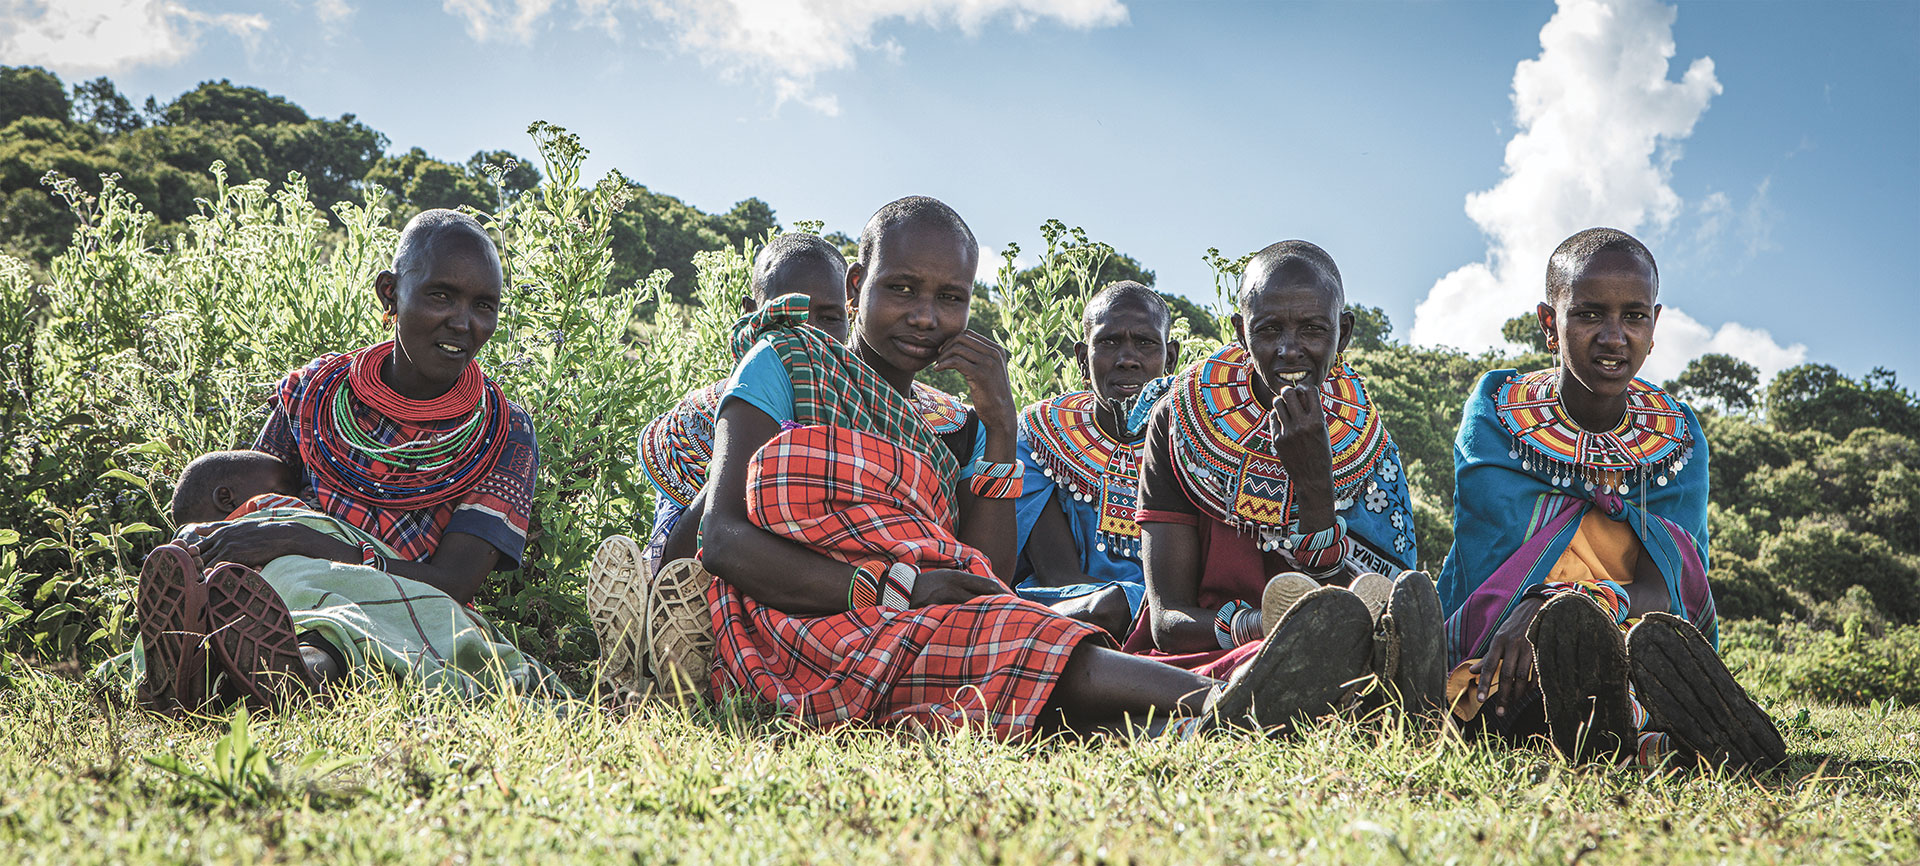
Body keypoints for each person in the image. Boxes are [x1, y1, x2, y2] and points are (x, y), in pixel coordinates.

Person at [685, 196, 1363, 738]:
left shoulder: (957, 425)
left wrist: (1001, 425)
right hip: (796, 627)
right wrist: (891, 591)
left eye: (951, 297)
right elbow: (722, 540)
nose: (926, 317)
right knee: (1028, 635)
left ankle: (1254, 696)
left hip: (922, 628)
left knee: (1028, 639)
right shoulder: (786, 367)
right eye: (901, 289)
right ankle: (1233, 701)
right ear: (857, 285)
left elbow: (988, 575)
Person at [129, 208, 565, 713]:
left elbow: (455, 583)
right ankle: (210, 661)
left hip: (411, 611)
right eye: (440, 295)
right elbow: (260, 512)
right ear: (389, 293)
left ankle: (289, 674)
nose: (463, 322)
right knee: (251, 570)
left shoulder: (504, 432)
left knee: (316, 592)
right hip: (282, 590)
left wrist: (304, 543)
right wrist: (218, 541)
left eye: (483, 305)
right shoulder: (315, 394)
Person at [1438, 227, 1785, 770]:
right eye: (1590, 314)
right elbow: (1490, 562)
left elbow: (1666, 588)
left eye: (1634, 316)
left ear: (1655, 326)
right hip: (1504, 633)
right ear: (1550, 325)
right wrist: (1532, 608)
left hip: (1629, 631)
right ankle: (1658, 747)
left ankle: (1628, 730)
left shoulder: (1679, 438)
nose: (1614, 336)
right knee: (1504, 687)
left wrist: (1567, 608)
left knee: (1632, 655)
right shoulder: (1495, 412)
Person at [591, 233, 976, 693]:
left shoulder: (862, 406)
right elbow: (695, 540)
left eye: (828, 316)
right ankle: (638, 643)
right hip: (707, 560)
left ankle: (674, 665)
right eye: (787, 313)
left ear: (850, 308)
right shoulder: (724, 407)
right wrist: (765, 454)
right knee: (677, 581)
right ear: (754, 315)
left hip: (809, 585)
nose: (807, 331)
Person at [1125, 240, 1444, 716]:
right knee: (1289, 663)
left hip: (1338, 638)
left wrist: (1315, 483)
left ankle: (1363, 684)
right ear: (1240, 331)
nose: (1290, 350)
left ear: (1345, 332)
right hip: (1222, 650)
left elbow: (1364, 600)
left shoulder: (1369, 443)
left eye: (1314, 330)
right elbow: (1168, 621)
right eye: (1269, 329)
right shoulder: (1180, 421)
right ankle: (1343, 691)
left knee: (1370, 639)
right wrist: (1262, 626)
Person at [1012, 281, 1179, 638]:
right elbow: (1058, 574)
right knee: (1107, 607)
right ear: (1081, 358)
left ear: (1172, 357)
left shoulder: (1194, 441)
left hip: (1175, 610)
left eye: (1146, 343)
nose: (1128, 359)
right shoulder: (1043, 434)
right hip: (1071, 604)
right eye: (1108, 342)